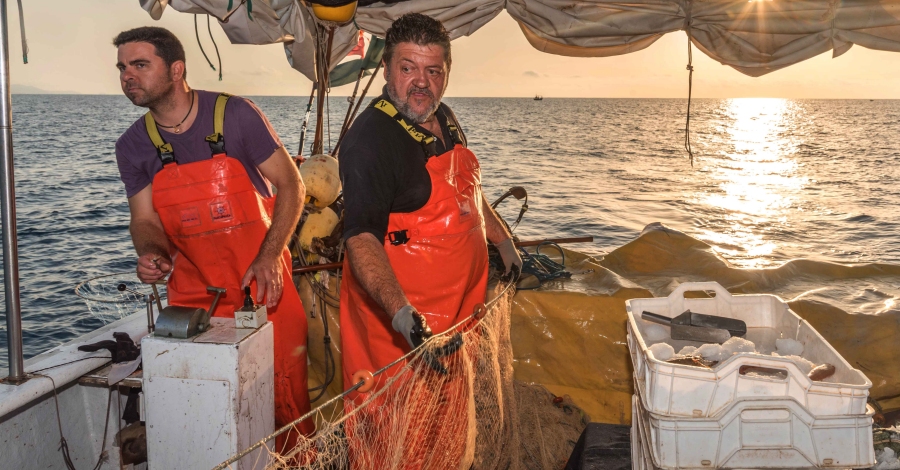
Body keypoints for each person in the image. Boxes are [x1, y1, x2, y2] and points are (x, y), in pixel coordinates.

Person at [112, 26, 313, 449]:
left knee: (286, 405)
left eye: (140, 64)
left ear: (176, 69)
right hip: (191, 302)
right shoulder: (132, 145)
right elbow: (144, 219)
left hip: (264, 289)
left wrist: (269, 255)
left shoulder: (236, 115)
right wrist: (151, 252)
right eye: (122, 68)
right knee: (204, 410)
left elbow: (292, 186)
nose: (128, 75)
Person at [338, 13, 523, 465]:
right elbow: (360, 237)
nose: (421, 83)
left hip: (457, 320)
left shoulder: (446, 118)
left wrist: (503, 242)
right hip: (398, 330)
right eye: (408, 68)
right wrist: (402, 314)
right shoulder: (369, 141)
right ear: (387, 69)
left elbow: (467, 194)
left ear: (446, 73)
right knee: (395, 436)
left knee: (446, 428)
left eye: (433, 71)